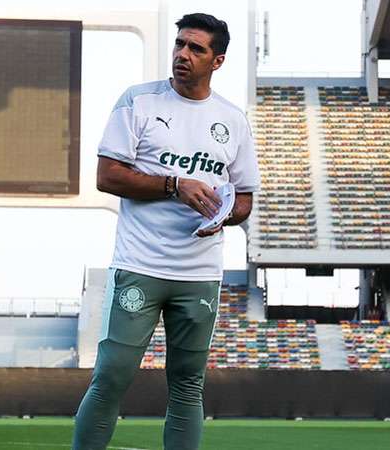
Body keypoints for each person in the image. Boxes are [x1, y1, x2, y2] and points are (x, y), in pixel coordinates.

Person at [72, 12, 260, 450]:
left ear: (218, 61)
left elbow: (246, 198)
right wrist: (175, 185)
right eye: (180, 44)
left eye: (196, 48)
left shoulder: (232, 120)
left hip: (199, 273)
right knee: (112, 377)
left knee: (188, 386)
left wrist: (222, 215)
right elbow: (107, 177)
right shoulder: (138, 102)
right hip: (140, 265)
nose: (182, 54)